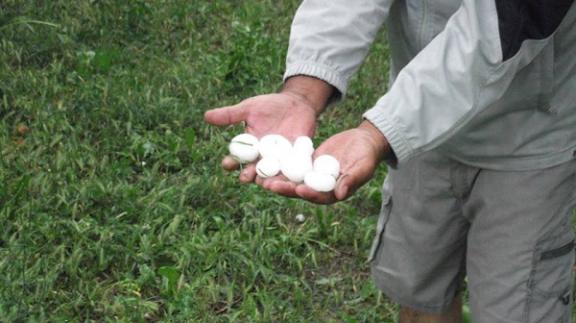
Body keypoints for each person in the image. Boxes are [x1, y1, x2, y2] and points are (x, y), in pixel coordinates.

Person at [205, 1, 576, 322]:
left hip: (529, 140)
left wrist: (380, 132)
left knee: (516, 312)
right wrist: (304, 90)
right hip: (421, 127)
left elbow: (503, 26)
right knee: (418, 295)